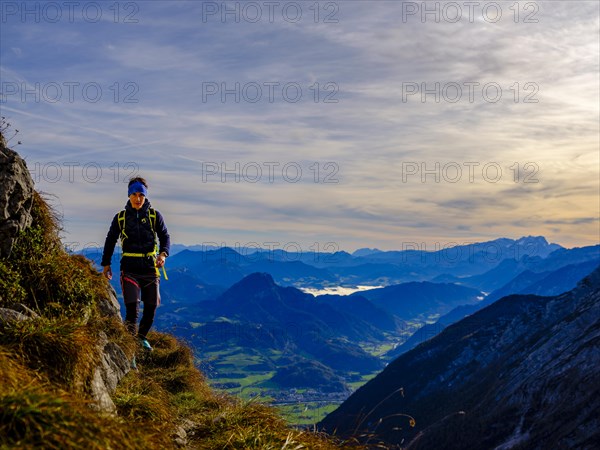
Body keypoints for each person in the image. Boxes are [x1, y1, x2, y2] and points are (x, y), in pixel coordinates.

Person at [101, 177, 170, 352]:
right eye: (134, 194)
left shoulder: (155, 216)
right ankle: (129, 348)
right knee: (132, 308)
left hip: (150, 268)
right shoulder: (121, 218)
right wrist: (106, 264)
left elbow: (165, 236)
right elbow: (110, 240)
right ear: (129, 195)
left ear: (145, 196)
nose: (138, 198)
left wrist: (163, 255)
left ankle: (141, 338)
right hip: (129, 269)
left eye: (141, 195)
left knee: (152, 306)